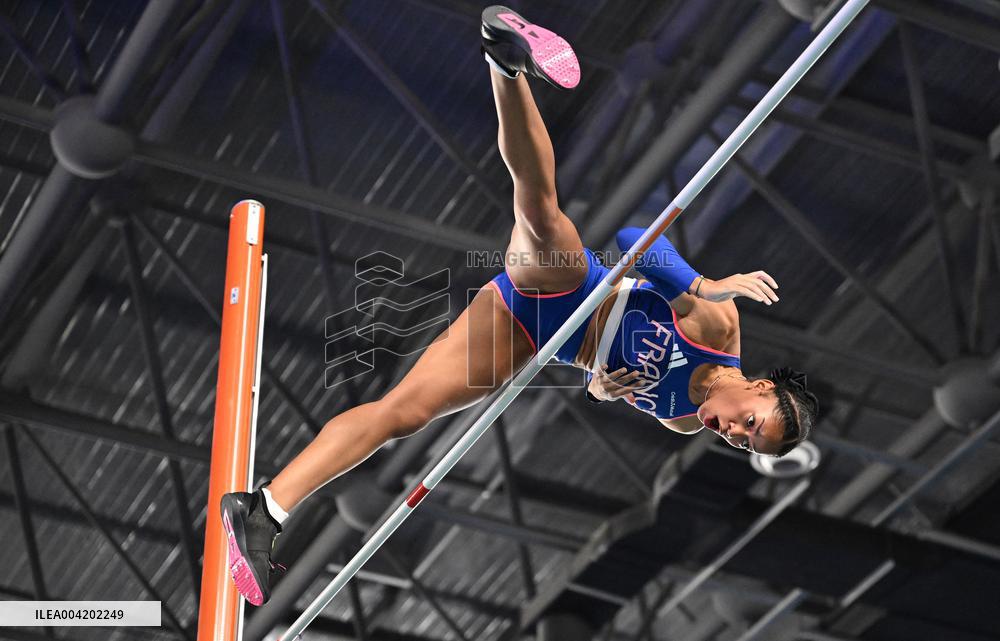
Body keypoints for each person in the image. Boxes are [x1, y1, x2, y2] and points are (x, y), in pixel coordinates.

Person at [220, 5, 820, 606]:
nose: (732, 433)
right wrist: (700, 286)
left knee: (402, 415)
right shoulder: (718, 324)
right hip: (574, 288)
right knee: (537, 210)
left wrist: (602, 392)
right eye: (750, 425)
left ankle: (264, 507)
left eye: (743, 445)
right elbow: (640, 239)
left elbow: (603, 384)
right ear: (763, 387)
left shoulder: (683, 419)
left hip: (533, 339)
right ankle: (504, 61)